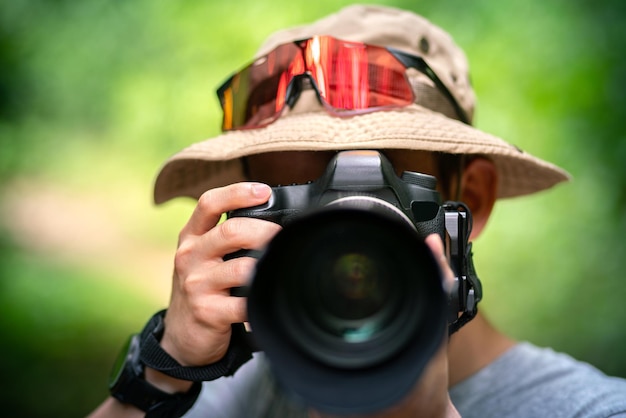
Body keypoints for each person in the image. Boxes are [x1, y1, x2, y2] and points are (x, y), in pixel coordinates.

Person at [89, 4, 626, 418]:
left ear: (472, 202)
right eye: (296, 197)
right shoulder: (256, 385)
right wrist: (165, 370)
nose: (340, 235)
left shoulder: (589, 407)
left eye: (377, 196)